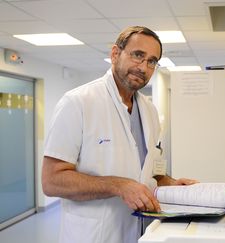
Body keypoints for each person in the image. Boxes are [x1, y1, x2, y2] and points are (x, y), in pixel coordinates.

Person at [41, 26, 196, 243]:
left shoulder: (149, 110)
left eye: (152, 61)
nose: (143, 67)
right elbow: (51, 181)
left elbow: (151, 168)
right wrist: (118, 185)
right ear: (115, 54)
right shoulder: (78, 102)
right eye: (137, 55)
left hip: (143, 232)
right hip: (95, 235)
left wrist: (170, 182)